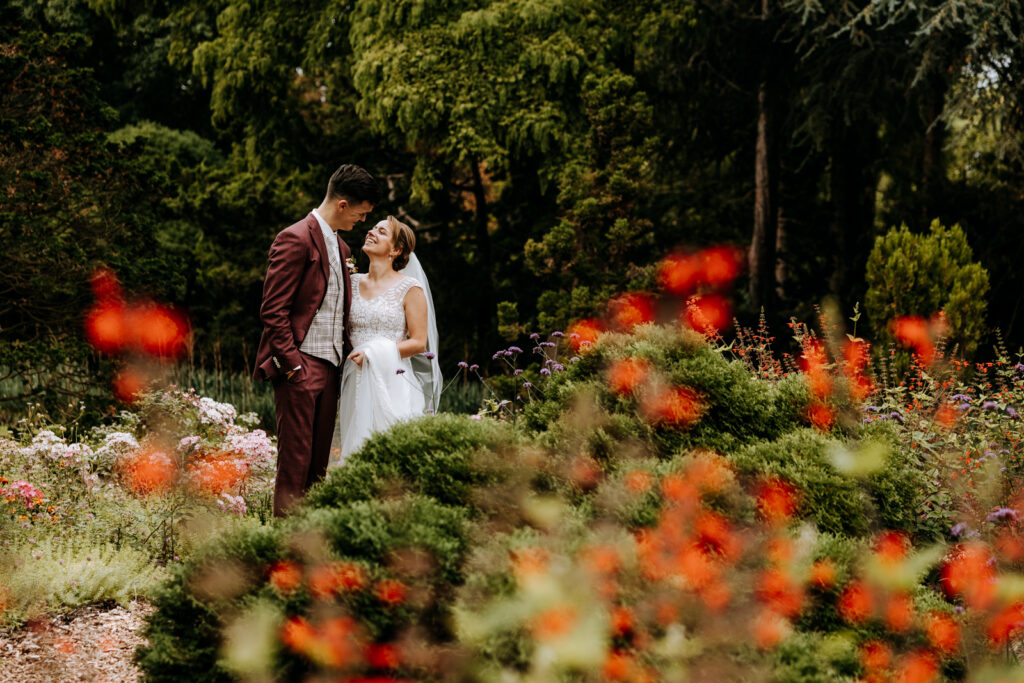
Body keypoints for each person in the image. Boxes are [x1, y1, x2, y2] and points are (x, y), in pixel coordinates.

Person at [253, 164, 380, 516]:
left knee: (319, 466)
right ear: (342, 204)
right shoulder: (294, 237)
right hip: (301, 366)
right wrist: (293, 365)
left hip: (332, 368)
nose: (362, 220)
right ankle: (283, 549)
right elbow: (272, 310)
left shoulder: (342, 247)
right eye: (361, 212)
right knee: (295, 462)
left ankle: (310, 543)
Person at [330, 215, 441, 466]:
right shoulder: (352, 282)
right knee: (358, 452)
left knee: (391, 457)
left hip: (393, 381)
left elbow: (419, 342)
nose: (371, 232)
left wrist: (373, 353)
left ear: (396, 249)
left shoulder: (410, 288)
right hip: (355, 380)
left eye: (381, 231)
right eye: (372, 228)